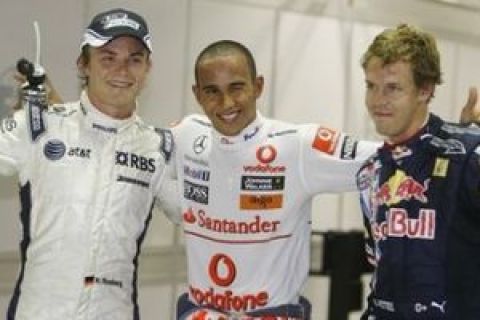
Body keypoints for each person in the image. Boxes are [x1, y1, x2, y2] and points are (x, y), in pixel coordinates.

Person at [0, 8, 177, 320]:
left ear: (148, 68)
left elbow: (205, 219)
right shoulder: (38, 126)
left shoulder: (159, 148)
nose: (122, 70)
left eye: (135, 59)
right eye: (108, 57)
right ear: (83, 65)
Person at [357, 24, 480, 319]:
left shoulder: (467, 156)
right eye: (371, 86)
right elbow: (380, 272)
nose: (377, 100)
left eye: (392, 88)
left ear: (425, 90)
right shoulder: (370, 172)